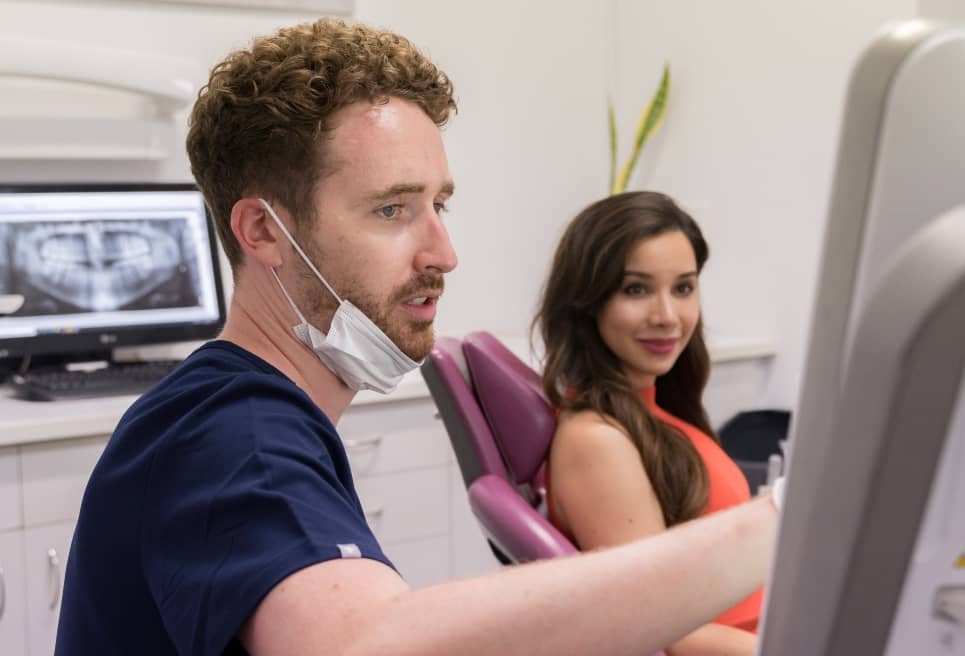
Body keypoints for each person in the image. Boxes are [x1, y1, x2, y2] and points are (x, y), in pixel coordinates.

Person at [55, 18, 780, 656]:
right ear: (263, 232)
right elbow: (366, 645)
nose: (443, 253)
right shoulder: (229, 436)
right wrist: (774, 524)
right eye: (392, 210)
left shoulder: (263, 415)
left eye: (440, 205)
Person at [535, 191, 762, 655]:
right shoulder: (597, 440)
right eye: (636, 289)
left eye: (683, 287)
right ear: (587, 301)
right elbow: (665, 633)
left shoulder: (653, 410)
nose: (667, 317)